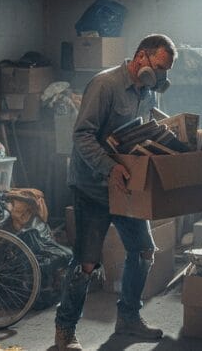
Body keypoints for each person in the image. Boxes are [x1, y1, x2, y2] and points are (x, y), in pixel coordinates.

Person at [54, 34, 177, 350]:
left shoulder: (148, 91)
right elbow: (82, 136)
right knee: (86, 263)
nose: (161, 77)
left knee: (143, 251)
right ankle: (64, 330)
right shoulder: (104, 84)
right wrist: (110, 168)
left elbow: (147, 128)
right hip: (93, 188)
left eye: (166, 72)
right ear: (140, 58)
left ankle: (129, 318)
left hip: (127, 189)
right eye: (159, 67)